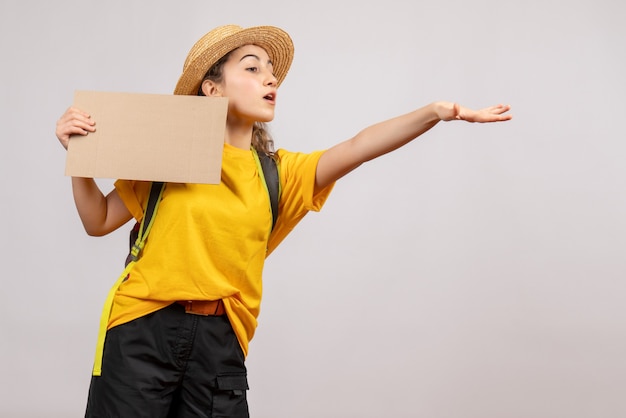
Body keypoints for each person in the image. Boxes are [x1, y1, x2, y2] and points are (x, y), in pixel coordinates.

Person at [56, 24, 511, 418]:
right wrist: (79, 156)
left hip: (221, 340)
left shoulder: (278, 173)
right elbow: (98, 221)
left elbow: (360, 144)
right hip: (141, 329)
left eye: (271, 70)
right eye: (252, 67)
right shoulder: (167, 153)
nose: (271, 78)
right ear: (211, 89)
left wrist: (437, 111)